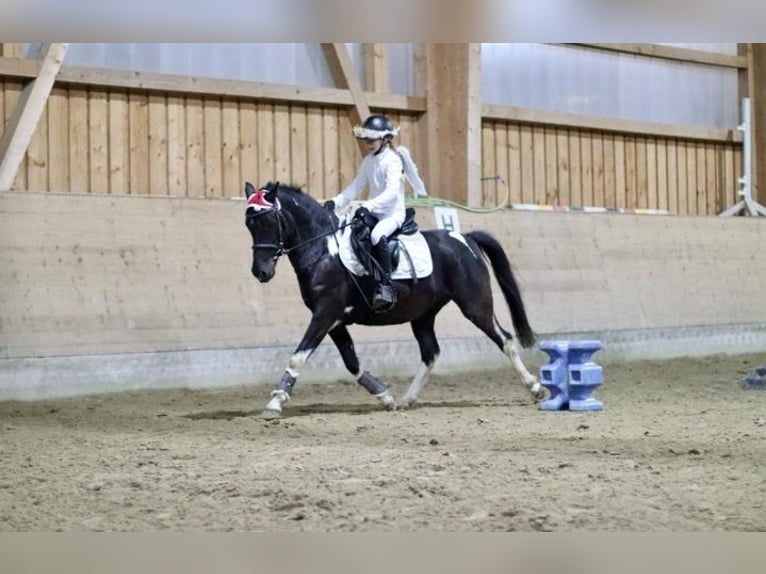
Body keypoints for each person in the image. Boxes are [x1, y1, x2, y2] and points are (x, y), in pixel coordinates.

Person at [325, 114, 428, 312]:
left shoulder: (393, 161)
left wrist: (368, 206)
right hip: (374, 211)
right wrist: (335, 202)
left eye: (371, 140)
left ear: (385, 138)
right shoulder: (368, 161)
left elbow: (391, 193)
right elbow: (355, 187)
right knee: (352, 232)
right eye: (365, 139)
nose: (367, 144)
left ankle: (386, 286)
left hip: (392, 214)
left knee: (376, 235)